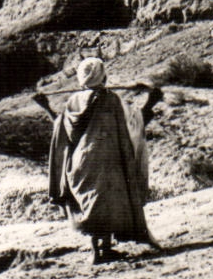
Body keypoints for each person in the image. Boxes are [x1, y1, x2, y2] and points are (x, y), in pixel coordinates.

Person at [45, 58, 161, 265]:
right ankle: (103, 250)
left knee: (91, 203)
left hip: (81, 162)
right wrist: (151, 100)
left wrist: (45, 107)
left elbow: (61, 128)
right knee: (105, 202)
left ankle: (97, 252)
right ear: (104, 77)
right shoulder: (111, 100)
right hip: (108, 160)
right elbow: (132, 123)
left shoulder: (73, 102)